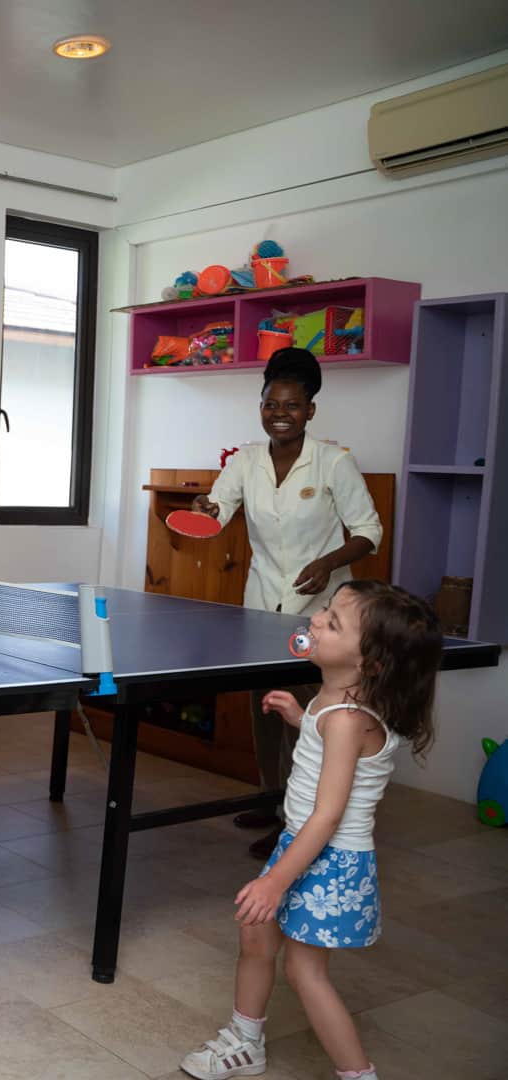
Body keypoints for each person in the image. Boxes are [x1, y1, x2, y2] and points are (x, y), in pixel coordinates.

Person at [178, 580, 442, 1080]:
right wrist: (302, 718)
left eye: (333, 622)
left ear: (371, 664)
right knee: (256, 936)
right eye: (325, 611)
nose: (315, 621)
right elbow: (336, 755)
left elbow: (329, 813)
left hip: (329, 855)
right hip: (304, 844)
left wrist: (274, 880)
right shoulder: (336, 705)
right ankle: (244, 1040)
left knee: (303, 971)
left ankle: (357, 1074)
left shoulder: (347, 719)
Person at [194, 348, 383, 857]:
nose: (280, 413)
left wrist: (326, 563)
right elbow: (218, 511)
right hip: (260, 603)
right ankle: (270, 795)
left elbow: (369, 532)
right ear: (261, 406)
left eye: (292, 405)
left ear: (310, 410)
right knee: (267, 706)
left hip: (318, 612)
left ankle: (295, 817)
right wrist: (206, 508)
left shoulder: (334, 462)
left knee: (308, 709)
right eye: (271, 404)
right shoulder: (244, 461)